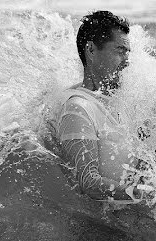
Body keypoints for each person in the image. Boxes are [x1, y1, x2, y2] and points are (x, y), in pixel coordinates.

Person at [50, 11, 141, 201]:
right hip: (97, 228)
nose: (127, 62)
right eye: (120, 51)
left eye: (127, 53)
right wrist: (146, 196)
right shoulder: (77, 108)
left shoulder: (122, 102)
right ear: (91, 50)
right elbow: (89, 182)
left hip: (129, 221)